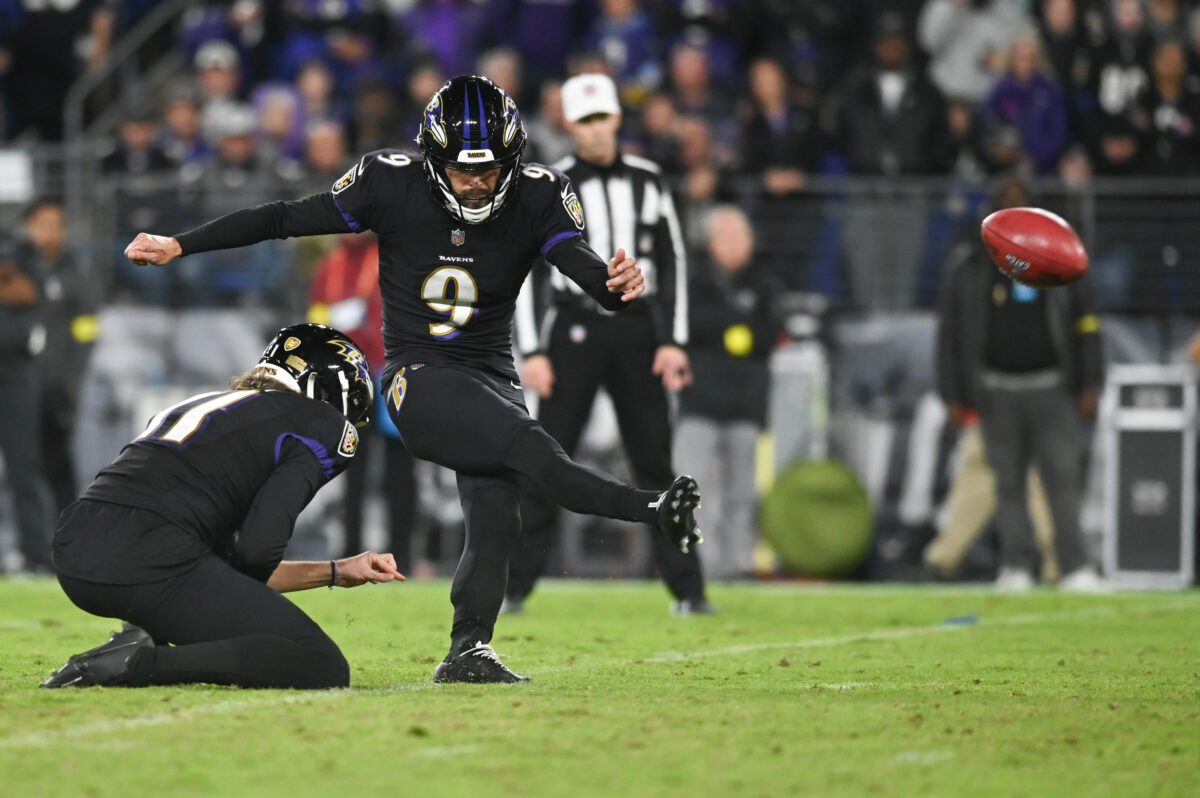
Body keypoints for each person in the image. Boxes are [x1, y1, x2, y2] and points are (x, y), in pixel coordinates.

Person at [123, 75, 702, 684]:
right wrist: (179, 245)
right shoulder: (390, 181)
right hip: (418, 376)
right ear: (433, 159)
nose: (478, 182)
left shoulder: (540, 193)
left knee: (495, 515)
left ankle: (469, 649)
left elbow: (582, 268)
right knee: (533, 451)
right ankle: (652, 506)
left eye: (491, 169)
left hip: (492, 376)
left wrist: (615, 287)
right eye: (463, 170)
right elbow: (284, 218)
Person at [42, 323, 404, 689]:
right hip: (150, 553)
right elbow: (258, 551)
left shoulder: (201, 408)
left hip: (76, 548)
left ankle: (139, 639)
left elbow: (222, 572)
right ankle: (135, 663)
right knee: (321, 663)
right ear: (326, 392)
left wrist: (336, 571)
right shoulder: (321, 423)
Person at [507, 72, 712, 616]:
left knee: (654, 462)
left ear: (618, 118)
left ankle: (689, 591)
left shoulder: (649, 179)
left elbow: (673, 261)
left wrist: (673, 341)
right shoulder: (550, 183)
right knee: (544, 459)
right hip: (573, 328)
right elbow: (529, 272)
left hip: (638, 330)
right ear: (570, 125)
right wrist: (533, 351)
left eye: (604, 117)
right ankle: (514, 588)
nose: (597, 130)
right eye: (586, 120)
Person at [936, 177, 1104, 591]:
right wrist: (953, 394)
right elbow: (951, 333)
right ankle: (1016, 565)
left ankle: (1075, 566)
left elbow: (1087, 323)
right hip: (995, 388)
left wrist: (1091, 379)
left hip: (1052, 386)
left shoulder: (1060, 258)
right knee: (1006, 483)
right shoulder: (972, 264)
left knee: (1061, 480)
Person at [675, 206, 780, 581]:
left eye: (742, 237)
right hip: (698, 401)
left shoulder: (764, 286)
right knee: (694, 487)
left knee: (741, 491)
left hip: (745, 402)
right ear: (711, 242)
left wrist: (726, 333)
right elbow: (688, 329)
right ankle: (698, 564)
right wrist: (731, 330)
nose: (737, 245)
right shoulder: (693, 283)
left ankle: (739, 564)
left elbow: (768, 336)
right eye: (729, 237)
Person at [23, 199, 99, 516]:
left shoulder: (75, 275)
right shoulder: (13, 269)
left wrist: (73, 377)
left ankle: (64, 532)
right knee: (20, 464)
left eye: (56, 226)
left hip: (56, 385)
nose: (49, 234)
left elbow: (86, 331)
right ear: (28, 228)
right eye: (43, 225)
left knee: (57, 463)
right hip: (15, 380)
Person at [0, 235, 54, 573]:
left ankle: (35, 555)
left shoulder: (17, 245)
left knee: (24, 467)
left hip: (15, 375)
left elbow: (30, 293)